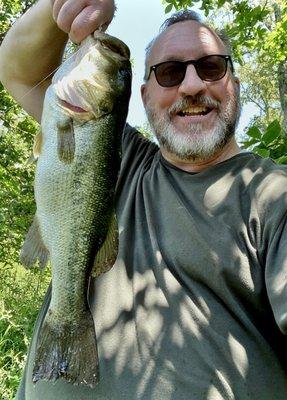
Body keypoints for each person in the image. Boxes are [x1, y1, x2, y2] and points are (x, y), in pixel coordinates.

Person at [1, 1, 287, 399]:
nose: (191, 85)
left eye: (211, 67)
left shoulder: (273, 194)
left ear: (234, 84)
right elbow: (17, 70)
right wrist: (59, 7)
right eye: (169, 72)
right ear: (145, 95)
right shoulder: (115, 157)